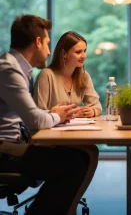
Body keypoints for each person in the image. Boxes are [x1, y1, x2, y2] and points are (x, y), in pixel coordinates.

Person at [0, 14, 98, 215]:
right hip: (4, 148)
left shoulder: (18, 69)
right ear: (37, 42)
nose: (48, 50)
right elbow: (35, 121)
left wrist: (51, 114)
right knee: (77, 163)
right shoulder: (10, 70)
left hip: (14, 143)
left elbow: (32, 114)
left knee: (82, 156)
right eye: (47, 43)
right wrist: (58, 116)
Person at [34, 31, 102, 117]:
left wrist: (92, 111)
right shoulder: (46, 75)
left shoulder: (84, 76)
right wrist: (60, 114)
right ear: (64, 53)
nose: (84, 55)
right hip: (51, 129)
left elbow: (97, 105)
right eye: (78, 52)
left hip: (76, 128)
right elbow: (37, 113)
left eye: (85, 51)